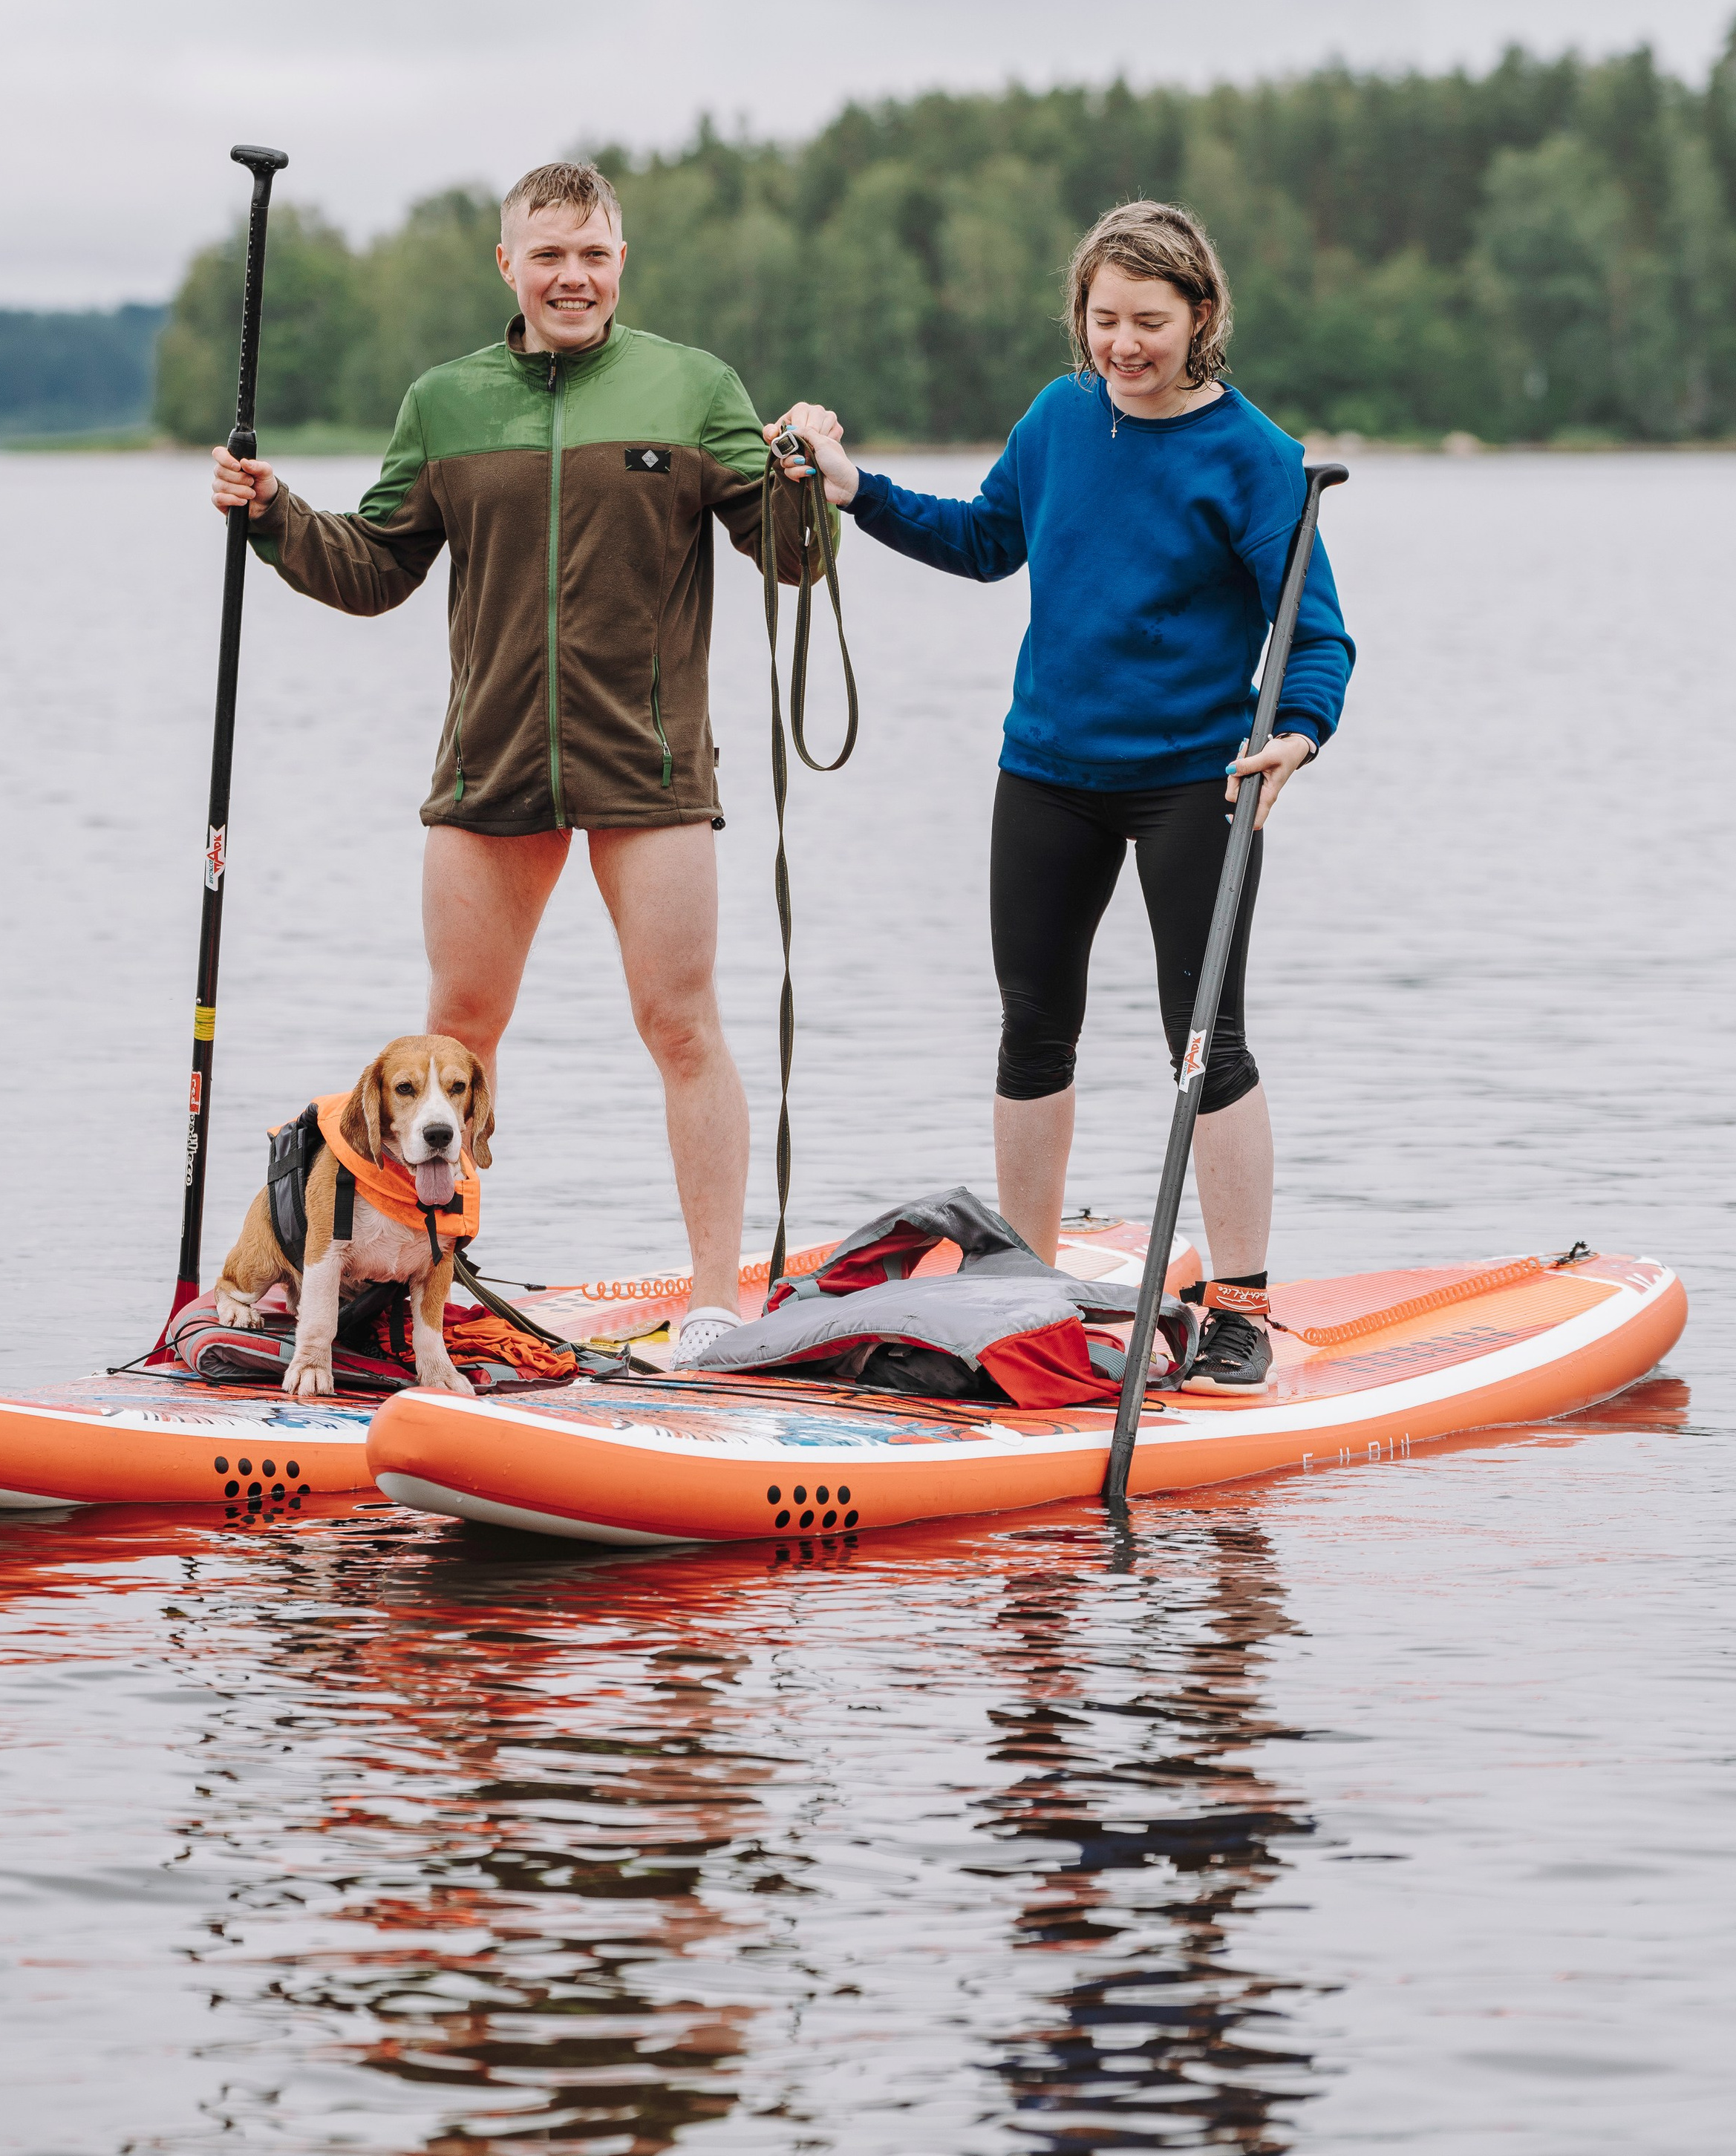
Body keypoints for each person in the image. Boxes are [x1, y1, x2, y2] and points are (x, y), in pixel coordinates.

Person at [210, 160, 839, 1368]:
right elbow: (374, 565)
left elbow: (793, 557)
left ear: (620, 262)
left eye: (594, 253)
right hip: (491, 765)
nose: (573, 275)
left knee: (682, 1025)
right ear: (509, 264)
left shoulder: (693, 387)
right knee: (456, 1032)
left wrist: (808, 473)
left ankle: (716, 1300)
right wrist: (275, 513)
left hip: (647, 767)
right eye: (548, 252)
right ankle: (415, 1290)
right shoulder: (445, 402)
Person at [766, 199, 1354, 1388]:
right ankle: (1025, 1285)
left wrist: (1294, 735)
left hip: (1199, 781)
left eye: (1150, 320)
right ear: (1079, 316)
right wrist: (851, 488)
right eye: (1104, 319)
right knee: (1033, 1028)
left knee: (1207, 1043)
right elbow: (985, 539)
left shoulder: (1255, 457)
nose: (1124, 344)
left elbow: (1319, 639)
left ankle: (1238, 1301)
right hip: (1045, 776)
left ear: (1202, 317)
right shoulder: (1058, 418)